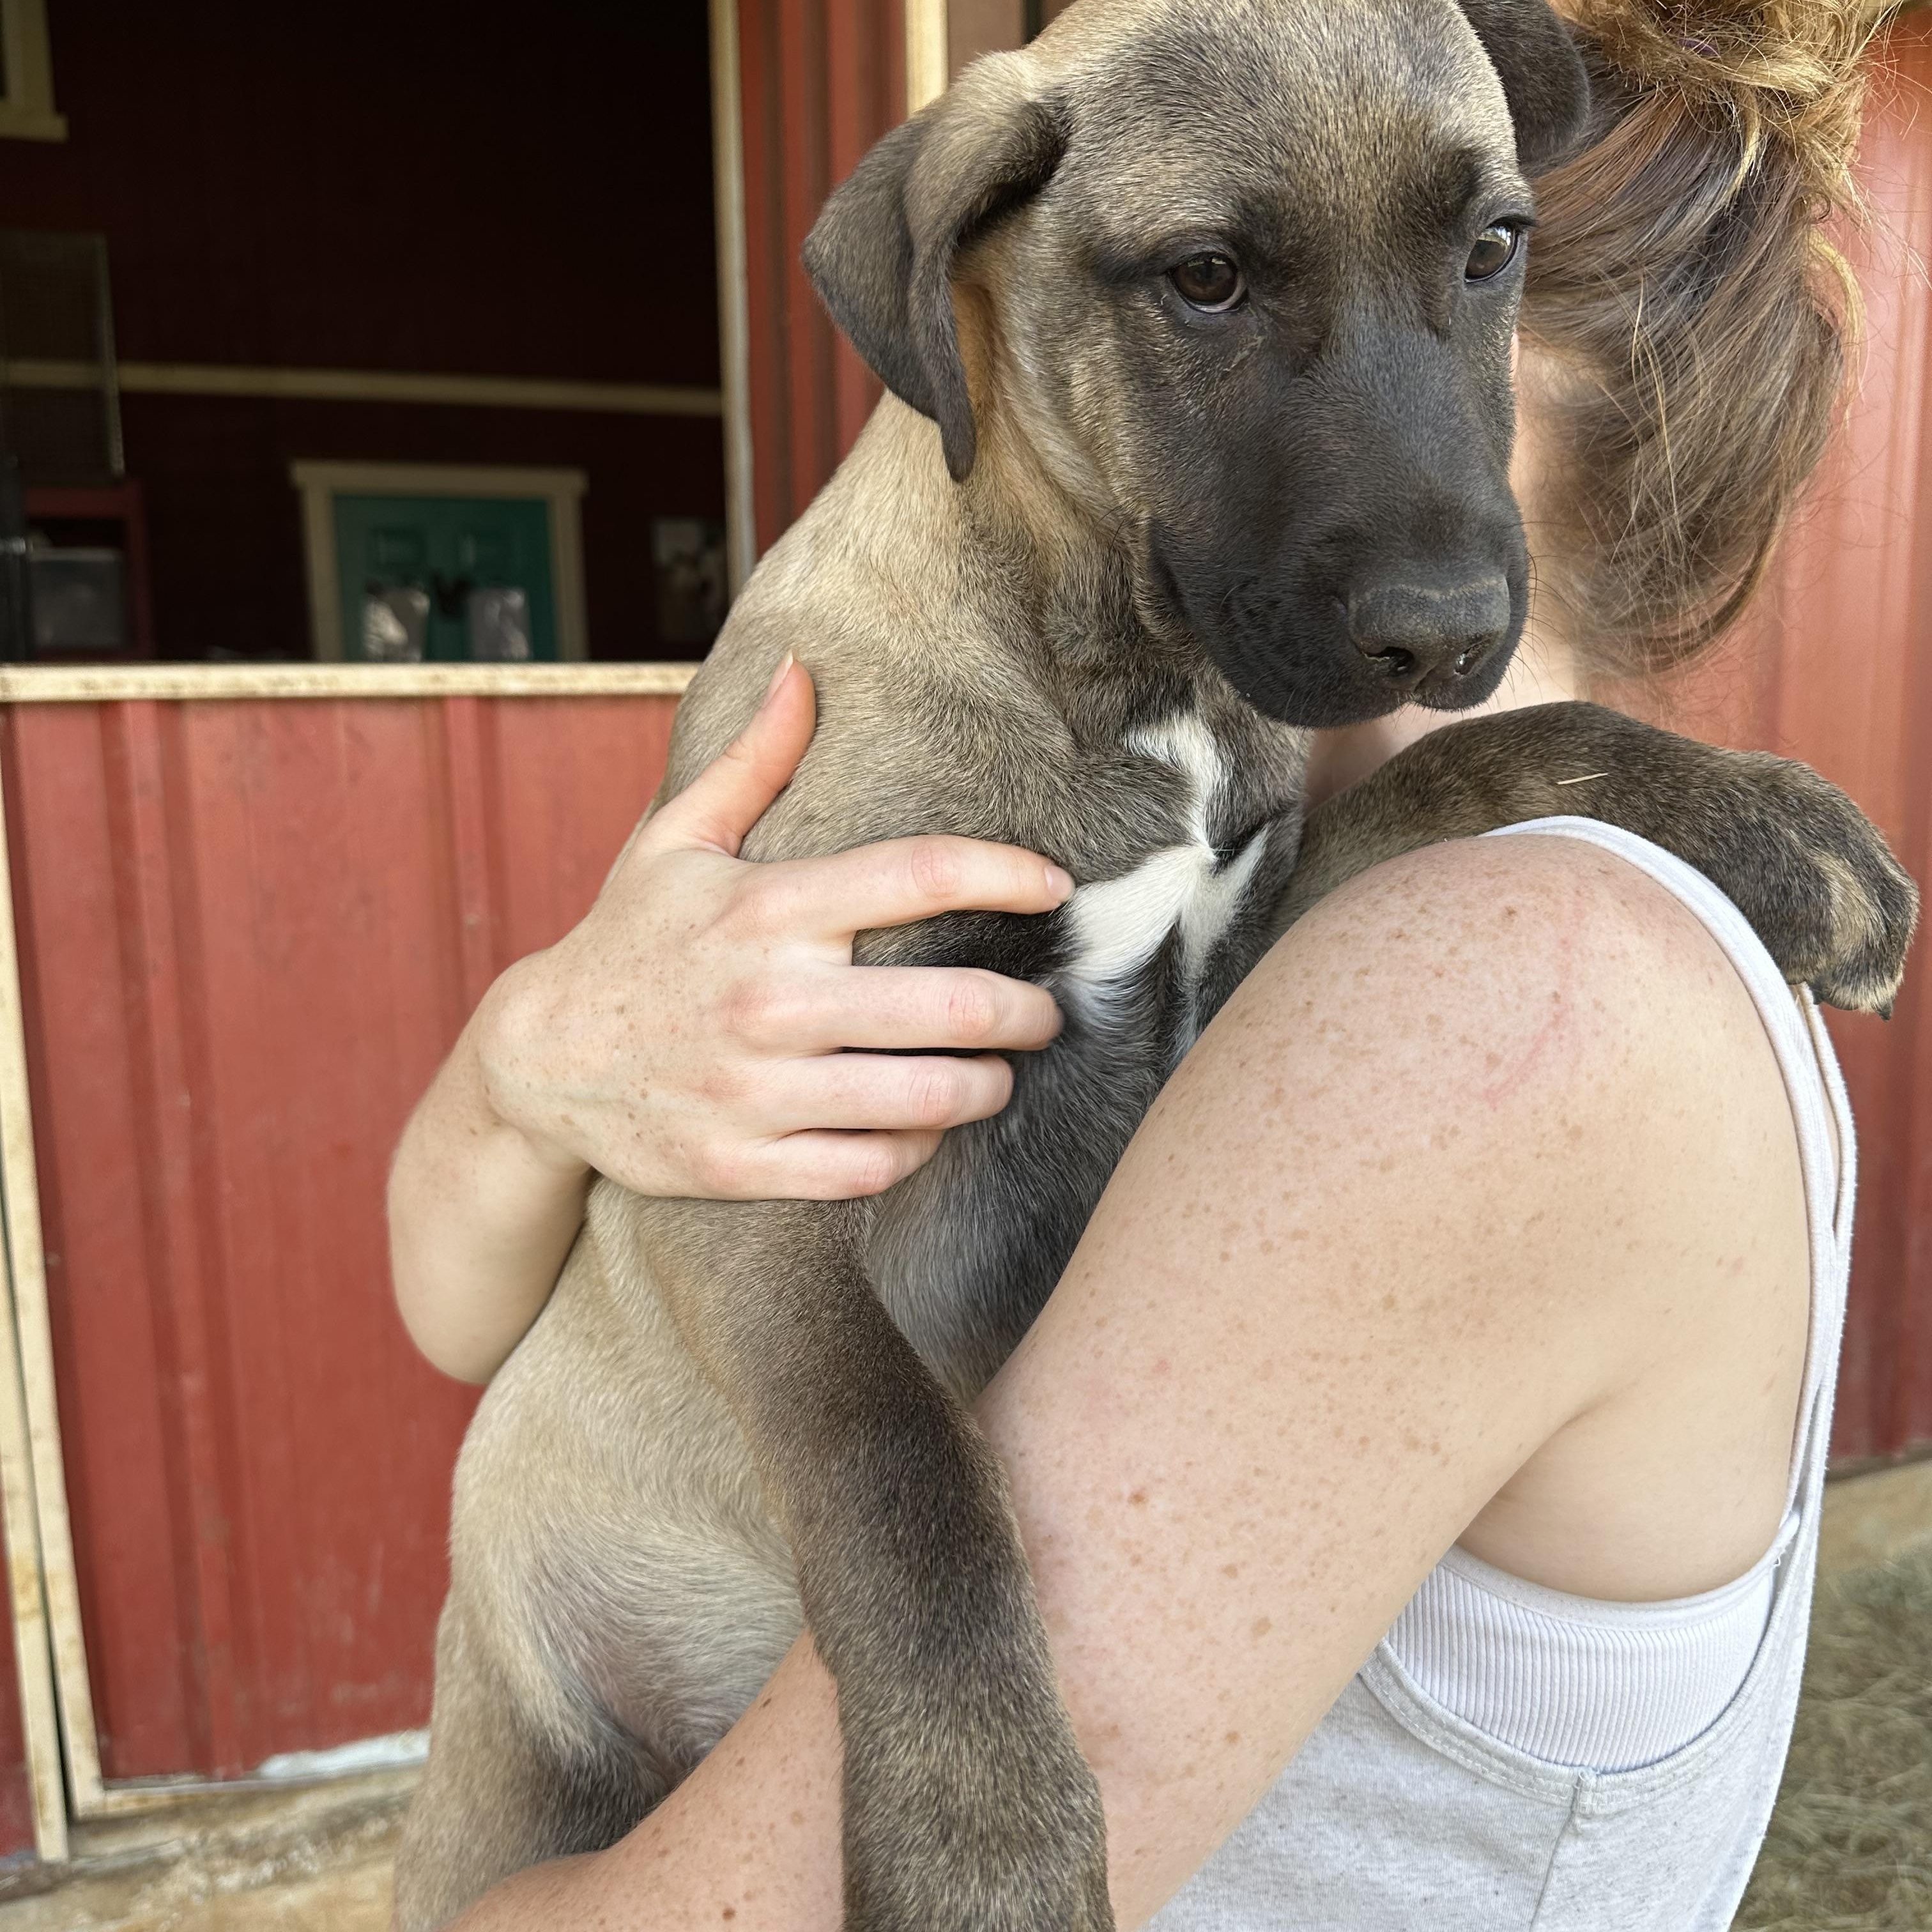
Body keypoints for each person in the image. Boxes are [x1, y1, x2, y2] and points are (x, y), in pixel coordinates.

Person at [387, 4, 1885, 1926]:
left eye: (1477, 261)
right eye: (1211, 283)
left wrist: (1579, 771)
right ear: (962, 282)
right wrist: (528, 1057)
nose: (1409, 455)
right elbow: (578, 1270)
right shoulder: (876, 697)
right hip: (583, 1709)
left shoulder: (1510, 978)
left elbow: (1262, 943)